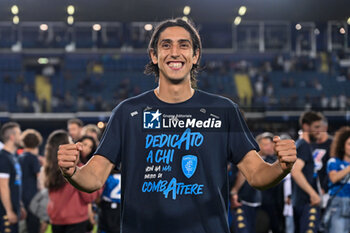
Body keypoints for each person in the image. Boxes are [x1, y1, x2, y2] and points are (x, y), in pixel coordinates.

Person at [57, 18, 297, 233]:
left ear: (195, 56)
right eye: (166, 45)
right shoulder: (128, 112)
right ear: (154, 55)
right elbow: (94, 179)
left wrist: (280, 167)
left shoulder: (223, 110)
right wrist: (73, 172)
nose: (175, 52)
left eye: (183, 45)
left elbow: (256, 175)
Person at [45, 130, 101, 233]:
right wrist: (99, 184)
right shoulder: (74, 168)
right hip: (75, 219)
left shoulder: (48, 168)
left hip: (56, 218)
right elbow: (88, 197)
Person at [291, 111, 324, 233]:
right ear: (305, 126)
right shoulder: (304, 145)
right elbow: (296, 172)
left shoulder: (300, 144)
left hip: (299, 201)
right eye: (316, 127)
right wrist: (313, 194)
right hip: (306, 202)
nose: (319, 130)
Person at [0, 122, 26, 233]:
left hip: (14, 209)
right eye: (19, 134)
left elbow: (15, 184)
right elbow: (3, 186)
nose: (21, 137)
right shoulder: (3, 157)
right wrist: (9, 211)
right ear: (12, 137)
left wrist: (19, 205)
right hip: (4, 213)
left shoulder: (13, 157)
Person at [256, 132, 284, 233]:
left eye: (272, 145)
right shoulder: (250, 161)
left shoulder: (275, 160)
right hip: (255, 203)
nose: (270, 147)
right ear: (258, 145)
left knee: (276, 227)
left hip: (273, 202)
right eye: (266, 144)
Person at [326, 126, 350, 233]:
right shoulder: (334, 162)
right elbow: (334, 178)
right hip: (338, 204)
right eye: (349, 144)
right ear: (342, 146)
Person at [19, 129, 43, 233]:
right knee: (33, 227)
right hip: (32, 196)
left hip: (20, 196)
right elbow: (39, 178)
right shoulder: (34, 159)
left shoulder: (18, 158)